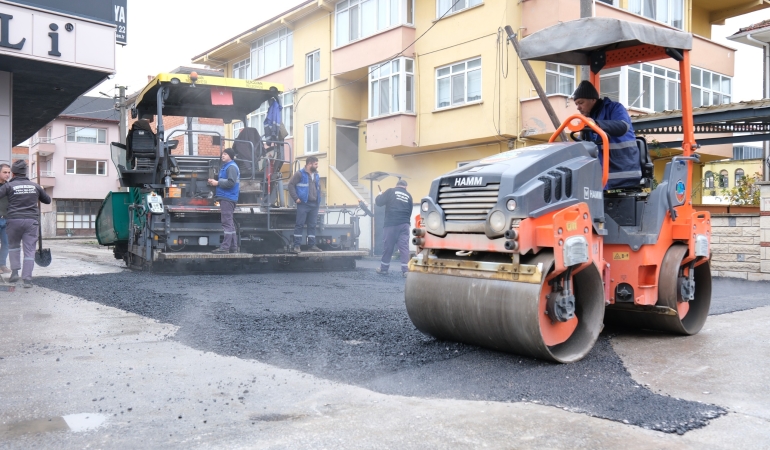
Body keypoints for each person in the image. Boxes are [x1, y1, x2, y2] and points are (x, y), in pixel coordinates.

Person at [572, 80, 641, 190]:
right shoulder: (589, 120)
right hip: (600, 176)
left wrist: (596, 124)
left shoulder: (615, 108)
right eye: (576, 104)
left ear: (593, 100)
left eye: (581, 103)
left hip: (622, 172)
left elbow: (623, 126)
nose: (578, 107)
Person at [0, 160, 51, 287]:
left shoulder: (8, 186)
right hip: (31, 221)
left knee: (14, 247)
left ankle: (15, 273)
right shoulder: (35, 186)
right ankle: (27, 279)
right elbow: (48, 200)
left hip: (13, 221)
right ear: (25, 172)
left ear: (13, 173)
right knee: (29, 250)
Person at [375, 179, 413, 277]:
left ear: (396, 185)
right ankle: (406, 271)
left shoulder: (390, 191)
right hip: (404, 224)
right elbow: (410, 211)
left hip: (391, 223)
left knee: (388, 247)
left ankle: (383, 269)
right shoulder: (409, 196)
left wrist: (380, 194)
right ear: (406, 187)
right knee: (404, 247)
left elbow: (379, 202)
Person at [207, 148, 240, 254]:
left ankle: (225, 247)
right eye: (222, 154)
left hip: (228, 197)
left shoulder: (231, 167)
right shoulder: (227, 167)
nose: (223, 155)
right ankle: (233, 247)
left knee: (226, 223)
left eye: (225, 154)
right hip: (227, 197)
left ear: (230, 155)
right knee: (230, 223)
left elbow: (231, 183)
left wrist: (217, 183)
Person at [288, 156, 322, 253]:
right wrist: (296, 198)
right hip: (303, 203)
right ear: (309, 164)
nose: (317, 166)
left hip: (314, 204)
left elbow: (318, 188)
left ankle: (312, 245)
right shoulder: (299, 174)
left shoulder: (316, 175)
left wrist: (319, 199)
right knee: (300, 224)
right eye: (316, 164)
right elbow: (290, 185)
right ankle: (297, 246)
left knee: (312, 225)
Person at [0, 164, 11, 275]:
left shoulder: (9, 187)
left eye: (8, 172)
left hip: (6, 220)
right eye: (5, 172)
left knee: (6, 244)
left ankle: (2, 265)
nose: (7, 174)